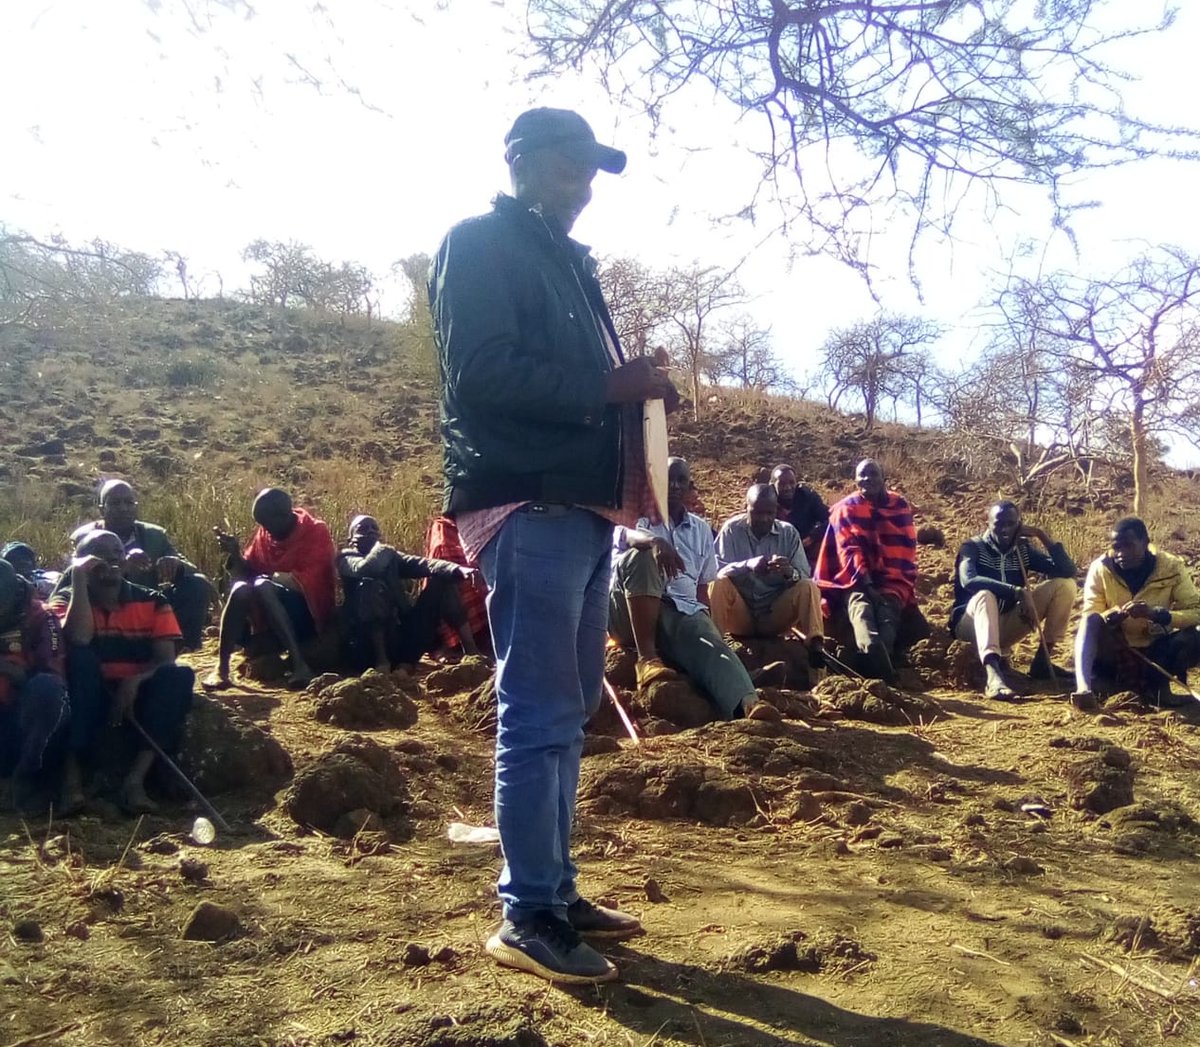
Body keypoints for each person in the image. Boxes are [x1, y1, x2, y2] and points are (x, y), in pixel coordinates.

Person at [431, 107, 678, 984]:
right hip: (526, 502)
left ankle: (557, 889)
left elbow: (580, 388)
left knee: (568, 708)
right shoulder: (478, 245)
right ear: (524, 164)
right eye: (571, 168)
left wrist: (636, 402)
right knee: (537, 712)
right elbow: (482, 372)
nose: (583, 189)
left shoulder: (569, 265)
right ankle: (526, 911)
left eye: (590, 173)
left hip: (578, 508)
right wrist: (609, 384)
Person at [49, 531, 194, 815]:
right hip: (88, 694)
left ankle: (135, 780)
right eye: (100, 553)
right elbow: (78, 638)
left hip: (135, 696)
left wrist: (134, 682)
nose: (112, 558)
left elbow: (165, 660)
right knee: (80, 659)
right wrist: (78, 577)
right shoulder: (67, 599)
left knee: (178, 676)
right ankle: (72, 778)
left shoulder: (152, 600)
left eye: (117, 552)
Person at [610, 457, 760, 718]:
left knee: (710, 642)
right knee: (643, 554)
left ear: (690, 486)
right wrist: (655, 540)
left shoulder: (701, 530)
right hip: (627, 611)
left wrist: (709, 628)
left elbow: (702, 589)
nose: (675, 486)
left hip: (677, 612)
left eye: (681, 480)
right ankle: (646, 660)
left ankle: (747, 705)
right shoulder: (635, 516)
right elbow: (628, 536)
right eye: (669, 479)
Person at [205, 488, 336, 690]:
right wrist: (235, 554)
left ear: (284, 515)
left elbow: (315, 580)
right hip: (268, 614)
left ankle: (299, 663)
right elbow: (250, 572)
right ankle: (221, 669)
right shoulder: (266, 534)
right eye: (261, 523)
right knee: (241, 588)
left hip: (306, 616)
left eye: (267, 523)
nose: (264, 528)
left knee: (263, 585)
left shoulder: (315, 531)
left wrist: (272, 579)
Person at [950, 502, 1077, 700]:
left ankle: (1043, 661)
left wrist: (1041, 535)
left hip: (1004, 628)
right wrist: (1016, 591)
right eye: (999, 523)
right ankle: (993, 675)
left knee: (1065, 585)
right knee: (986, 595)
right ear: (988, 522)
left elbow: (1068, 571)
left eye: (1011, 523)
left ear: (1019, 525)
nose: (1005, 529)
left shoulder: (1022, 550)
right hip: (970, 627)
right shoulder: (973, 547)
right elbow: (969, 580)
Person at [70, 479, 214, 649]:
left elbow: (190, 569)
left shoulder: (154, 535)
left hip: (147, 606)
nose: (123, 508)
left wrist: (175, 565)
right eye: (115, 503)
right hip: (104, 610)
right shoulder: (85, 537)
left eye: (129, 502)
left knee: (197, 584)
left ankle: (181, 647)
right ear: (102, 509)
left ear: (136, 507)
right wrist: (123, 565)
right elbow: (73, 577)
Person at [1074, 517, 1200, 707]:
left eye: (1128, 546)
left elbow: (1196, 611)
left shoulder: (1171, 567)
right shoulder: (1101, 568)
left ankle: (1157, 688)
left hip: (1157, 652)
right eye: (1117, 547)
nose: (1121, 553)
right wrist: (1109, 617)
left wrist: (1157, 615)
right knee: (1090, 621)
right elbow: (1091, 613)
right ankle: (1084, 689)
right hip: (1116, 650)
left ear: (1146, 543)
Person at [813, 458, 918, 681]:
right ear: (855, 480)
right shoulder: (846, 508)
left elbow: (905, 549)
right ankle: (876, 658)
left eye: (873, 474)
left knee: (888, 614)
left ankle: (879, 668)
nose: (867, 479)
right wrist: (867, 583)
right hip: (855, 579)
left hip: (892, 579)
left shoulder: (899, 506)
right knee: (861, 609)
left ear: (884, 479)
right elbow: (848, 550)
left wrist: (888, 584)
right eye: (862, 475)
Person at [337, 514, 481, 672]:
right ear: (351, 539)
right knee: (370, 585)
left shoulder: (389, 556)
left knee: (442, 579)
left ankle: (472, 650)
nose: (371, 532)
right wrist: (381, 548)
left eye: (374, 528)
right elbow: (368, 568)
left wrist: (458, 569)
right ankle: (382, 662)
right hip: (366, 648)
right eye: (363, 529)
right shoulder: (346, 558)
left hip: (402, 638)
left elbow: (425, 564)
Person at [712, 483, 826, 662]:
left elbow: (803, 575)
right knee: (718, 584)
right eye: (757, 512)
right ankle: (713, 651)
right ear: (746, 508)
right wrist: (747, 565)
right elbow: (716, 571)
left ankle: (816, 649)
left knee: (808, 586)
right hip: (740, 615)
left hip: (773, 615)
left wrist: (789, 572)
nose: (764, 519)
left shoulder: (788, 533)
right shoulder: (731, 530)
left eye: (769, 513)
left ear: (776, 511)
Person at [0, 559, 68, 814]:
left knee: (46, 689)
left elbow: (53, 675)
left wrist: (11, 671)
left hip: (23, 721)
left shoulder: (42, 617)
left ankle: (25, 778)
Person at [425, 515, 491, 658]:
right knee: (446, 581)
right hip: (457, 586)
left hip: (484, 576)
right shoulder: (443, 527)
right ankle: (469, 647)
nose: (370, 533)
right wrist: (461, 570)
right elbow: (437, 562)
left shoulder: (487, 517)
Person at [771, 465, 829, 568]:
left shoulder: (807, 497)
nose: (788, 487)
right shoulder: (765, 501)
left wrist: (812, 536)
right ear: (772, 485)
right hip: (777, 553)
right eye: (782, 484)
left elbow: (830, 519)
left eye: (791, 482)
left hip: (807, 549)